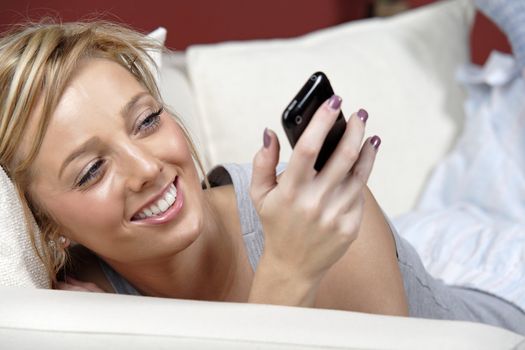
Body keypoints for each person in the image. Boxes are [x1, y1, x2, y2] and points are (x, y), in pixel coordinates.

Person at [0, 2, 524, 336]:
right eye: (92, 170)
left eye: (146, 120)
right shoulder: (84, 310)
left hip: (494, 295)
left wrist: (289, 271)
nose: (146, 168)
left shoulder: (324, 221)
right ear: (50, 228)